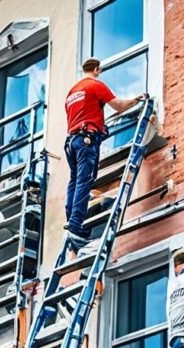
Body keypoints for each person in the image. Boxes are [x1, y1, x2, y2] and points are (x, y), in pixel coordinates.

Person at [64, 57, 143, 252]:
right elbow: (119, 106)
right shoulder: (94, 85)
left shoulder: (72, 93)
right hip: (86, 141)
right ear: (97, 70)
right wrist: (137, 100)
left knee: (74, 181)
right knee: (85, 180)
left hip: (72, 141)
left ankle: (71, 220)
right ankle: (75, 224)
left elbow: (83, 114)